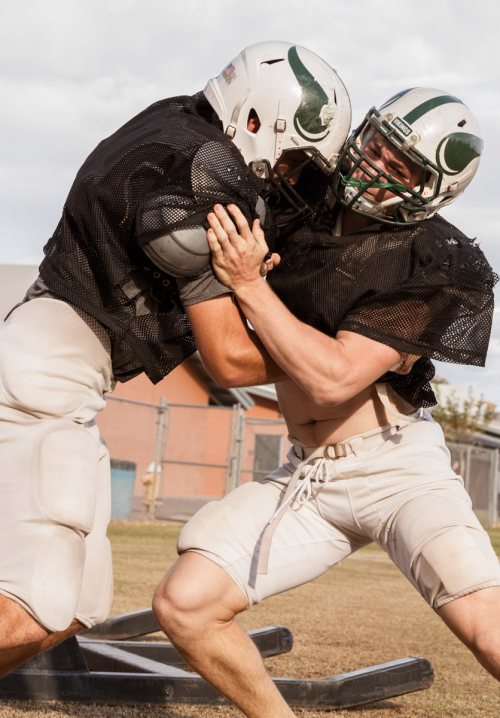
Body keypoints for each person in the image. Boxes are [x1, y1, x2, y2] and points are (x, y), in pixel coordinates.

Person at [0, 41, 351, 677]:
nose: (292, 178)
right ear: (254, 120)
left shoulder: (176, 124)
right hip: (51, 367)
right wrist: (335, 357)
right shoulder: (206, 169)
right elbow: (229, 363)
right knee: (37, 605)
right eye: (297, 159)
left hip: (66, 371)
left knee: (78, 605)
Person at [152, 88, 500, 718]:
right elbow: (234, 359)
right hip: (308, 473)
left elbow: (335, 380)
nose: (375, 167)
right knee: (185, 604)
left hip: (399, 470)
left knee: (487, 628)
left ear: (435, 190)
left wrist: (252, 285)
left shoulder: (439, 256)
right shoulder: (297, 208)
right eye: (378, 146)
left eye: (403, 167)